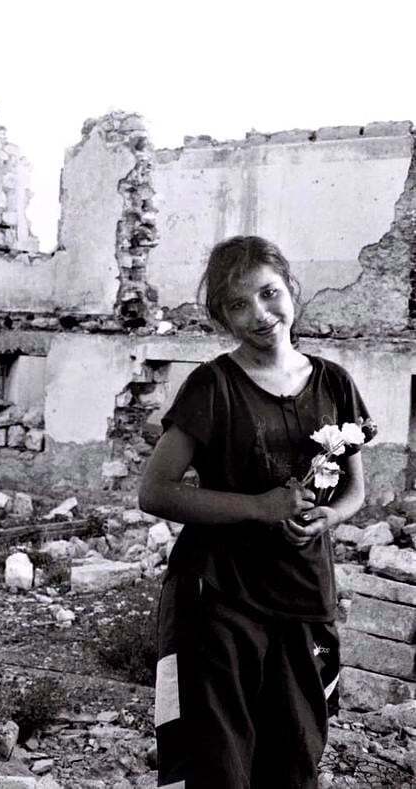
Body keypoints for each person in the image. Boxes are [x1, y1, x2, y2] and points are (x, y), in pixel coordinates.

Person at [138, 236, 374, 789]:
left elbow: (355, 491)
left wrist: (329, 518)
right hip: (221, 596)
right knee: (220, 762)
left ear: (290, 287)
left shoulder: (334, 382)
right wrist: (260, 507)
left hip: (303, 593)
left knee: (296, 754)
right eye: (238, 305)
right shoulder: (212, 386)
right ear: (222, 317)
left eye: (268, 293)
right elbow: (155, 492)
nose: (260, 314)